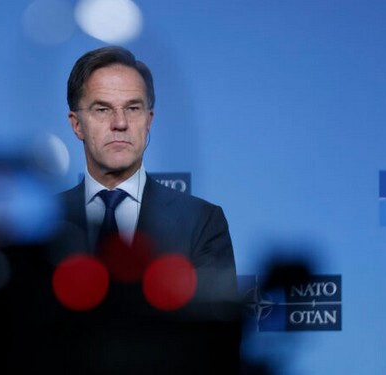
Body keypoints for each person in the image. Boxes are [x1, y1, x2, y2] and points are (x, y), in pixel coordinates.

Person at [54, 45, 242, 374]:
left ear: (149, 120)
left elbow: (217, 349)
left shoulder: (201, 222)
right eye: (102, 110)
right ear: (76, 124)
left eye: (134, 108)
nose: (120, 123)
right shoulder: (42, 224)